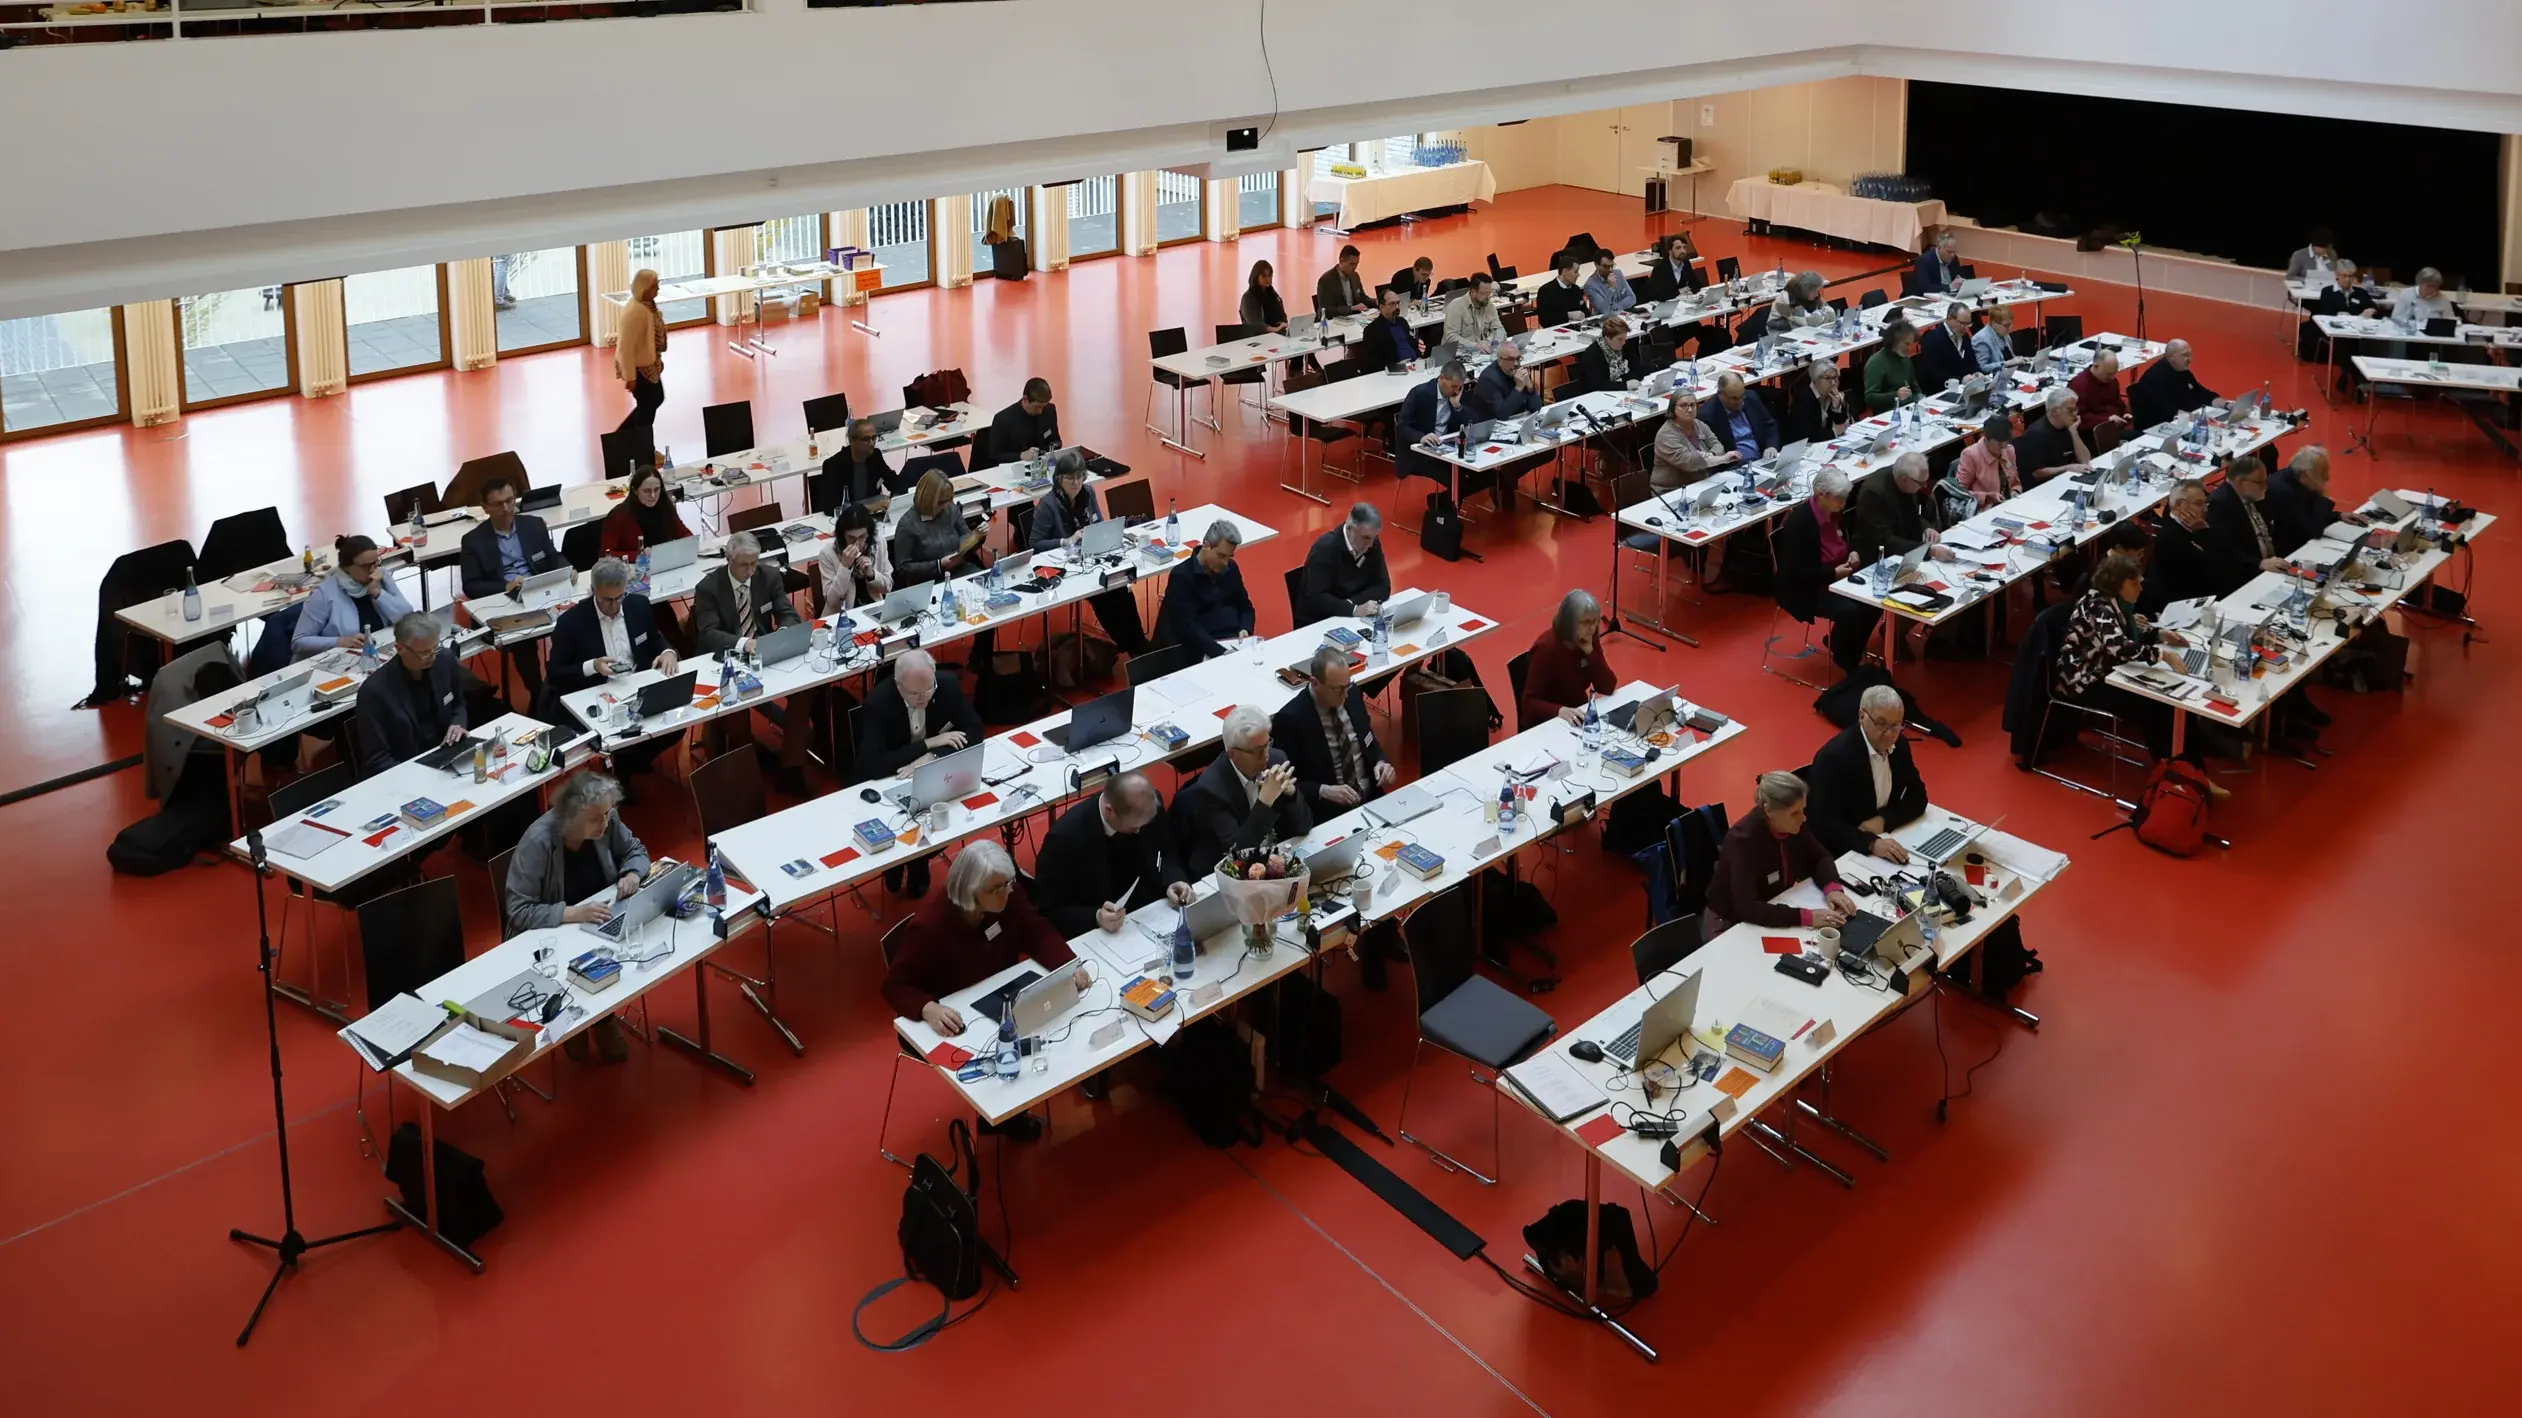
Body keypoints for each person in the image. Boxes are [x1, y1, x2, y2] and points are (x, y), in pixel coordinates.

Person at [880, 839, 1085, 1141]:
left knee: (1054, 1021)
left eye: (1010, 884)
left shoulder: (1008, 897)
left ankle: (1012, 1105)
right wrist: (928, 1007)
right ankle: (1003, 1116)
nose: (1008, 893)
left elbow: (1035, 930)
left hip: (1000, 995)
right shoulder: (931, 926)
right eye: (997, 889)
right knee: (1006, 1049)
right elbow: (895, 986)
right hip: (953, 1015)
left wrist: (1069, 964)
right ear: (970, 893)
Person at [506, 771, 651, 1063]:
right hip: (550, 934)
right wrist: (571, 913)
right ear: (572, 817)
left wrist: (633, 873)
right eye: (596, 819)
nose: (605, 824)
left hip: (599, 919)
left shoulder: (607, 820)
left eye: (608, 815)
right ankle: (574, 1018)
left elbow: (635, 850)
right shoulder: (538, 840)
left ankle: (603, 1020)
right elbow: (518, 910)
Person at [2053, 554, 2211, 777]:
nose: (2140, 588)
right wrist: (2161, 654)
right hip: (2084, 682)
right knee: (2155, 703)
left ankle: (2191, 764)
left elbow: (2124, 634)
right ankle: (2177, 770)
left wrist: (2158, 634)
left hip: (2107, 671)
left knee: (2169, 703)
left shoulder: (2115, 603)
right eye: (2134, 583)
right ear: (2117, 583)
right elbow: (2120, 647)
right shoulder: (2099, 607)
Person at [855, 648, 984, 899]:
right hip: (889, 778)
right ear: (898, 684)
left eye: (928, 690)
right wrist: (928, 744)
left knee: (951, 813)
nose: (924, 698)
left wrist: (933, 756)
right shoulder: (878, 704)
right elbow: (872, 764)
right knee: (900, 815)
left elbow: (975, 730)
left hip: (932, 769)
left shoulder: (945, 686)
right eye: (915, 694)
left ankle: (918, 861)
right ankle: (896, 862)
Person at [1029, 773, 1195, 938]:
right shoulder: (1064, 838)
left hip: (1152, 914)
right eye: (1134, 827)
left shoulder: (1148, 807)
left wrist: (1174, 878)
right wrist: (1095, 917)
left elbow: (1166, 850)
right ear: (1110, 811)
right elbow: (1049, 910)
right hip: (1103, 931)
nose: (1139, 831)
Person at [1703, 771, 1858, 939]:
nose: (1803, 818)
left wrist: (1832, 888)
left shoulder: (1791, 824)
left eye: (1803, 809)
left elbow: (1820, 857)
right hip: (1730, 921)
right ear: (1769, 811)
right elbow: (1747, 908)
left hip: (1774, 905)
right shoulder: (1743, 841)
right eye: (1795, 812)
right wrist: (1806, 917)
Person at [1028, 450, 1150, 654]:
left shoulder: (1089, 492)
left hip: (1092, 557)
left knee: (1120, 586)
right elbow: (1035, 544)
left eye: (1080, 477)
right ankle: (1134, 647)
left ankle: (1136, 641)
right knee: (1104, 595)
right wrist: (1066, 540)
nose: (1076, 483)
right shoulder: (1048, 505)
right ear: (1059, 479)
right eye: (1070, 478)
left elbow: (1099, 522)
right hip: (1066, 566)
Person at [1180, 706, 1314, 871]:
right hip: (1229, 876)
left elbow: (1304, 826)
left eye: (1267, 744)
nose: (1266, 755)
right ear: (1233, 754)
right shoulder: (1210, 790)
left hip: (1275, 862)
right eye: (1258, 751)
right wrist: (1265, 802)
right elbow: (1238, 856)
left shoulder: (1277, 759)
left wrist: (1292, 794)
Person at [1803, 685, 1928, 860]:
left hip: (1888, 838)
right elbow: (1822, 823)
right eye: (1882, 724)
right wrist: (1871, 843)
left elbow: (1918, 796)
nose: (1890, 734)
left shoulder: (1900, 746)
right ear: (1862, 715)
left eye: (1896, 725)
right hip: (1845, 851)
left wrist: (1884, 820)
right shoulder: (1834, 758)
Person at [1272, 644, 1395, 820]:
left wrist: (1381, 762)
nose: (1345, 694)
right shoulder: (1291, 719)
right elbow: (1282, 783)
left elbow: (1370, 743)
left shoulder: (1352, 694)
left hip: (1371, 797)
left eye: (1348, 685)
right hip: (1329, 811)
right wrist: (1322, 791)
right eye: (1337, 689)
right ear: (1315, 683)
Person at [1775, 468, 1877, 671]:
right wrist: (1832, 573)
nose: (1843, 504)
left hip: (1841, 577)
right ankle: (1846, 658)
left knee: (1876, 600)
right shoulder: (1799, 524)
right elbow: (1795, 572)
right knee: (1851, 610)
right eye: (1839, 498)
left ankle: (1842, 643)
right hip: (1809, 588)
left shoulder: (1837, 513)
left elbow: (1854, 537)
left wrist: (1854, 551)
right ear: (1822, 494)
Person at [353, 613, 476, 775]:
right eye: (424, 652)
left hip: (448, 759)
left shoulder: (444, 661)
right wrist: (417, 776)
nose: (432, 656)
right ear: (399, 648)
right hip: (405, 770)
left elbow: (459, 704)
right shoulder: (374, 692)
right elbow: (377, 759)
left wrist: (458, 724)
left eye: (435, 647)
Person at [546, 557, 678, 707]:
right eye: (607, 600)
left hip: (639, 687)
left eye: (619, 597)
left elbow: (654, 639)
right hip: (597, 695)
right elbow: (555, 673)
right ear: (593, 590)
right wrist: (593, 666)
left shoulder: (638, 606)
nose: (614, 606)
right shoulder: (571, 623)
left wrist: (668, 651)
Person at [295, 535, 413, 658]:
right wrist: (339, 642)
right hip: (341, 659)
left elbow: (407, 618)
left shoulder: (382, 577)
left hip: (381, 651)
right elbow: (299, 641)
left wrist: (377, 593)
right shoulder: (324, 593)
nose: (373, 569)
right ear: (347, 567)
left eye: (375, 562)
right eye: (366, 566)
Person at [1516, 589, 1617, 730]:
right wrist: (1559, 710)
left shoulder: (1589, 639)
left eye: (1596, 621)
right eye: (1586, 622)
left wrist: (1591, 653)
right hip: (1546, 724)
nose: (1593, 628)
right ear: (1569, 623)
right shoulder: (1546, 649)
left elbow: (1607, 686)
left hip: (1578, 717)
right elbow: (1529, 703)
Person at [690, 531, 800, 654]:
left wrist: (782, 633)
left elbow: (789, 614)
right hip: (724, 653)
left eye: (753, 563)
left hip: (761, 649)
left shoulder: (769, 577)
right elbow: (709, 633)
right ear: (729, 560)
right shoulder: (708, 588)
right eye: (743, 565)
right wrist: (743, 644)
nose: (750, 571)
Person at [1162, 519, 1255, 660]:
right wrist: (1219, 652)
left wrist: (1245, 628)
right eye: (1221, 555)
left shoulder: (1231, 569)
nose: (1225, 563)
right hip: (1200, 649)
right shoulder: (1181, 577)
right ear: (1206, 546)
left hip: (1234, 643)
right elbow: (1188, 626)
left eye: (1230, 557)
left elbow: (1246, 607)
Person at [459, 474, 558, 601]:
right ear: (485, 507)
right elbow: (471, 586)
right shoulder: (473, 541)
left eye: (509, 501)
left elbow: (554, 557)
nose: (506, 509)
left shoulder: (534, 525)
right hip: (503, 598)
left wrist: (569, 570)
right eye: (498, 504)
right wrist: (505, 586)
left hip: (538, 590)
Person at [1848, 452, 1953, 566]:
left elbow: (1914, 513)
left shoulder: (1910, 482)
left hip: (1906, 546)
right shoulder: (1874, 493)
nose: (1925, 486)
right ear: (1904, 479)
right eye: (1921, 483)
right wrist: (1928, 551)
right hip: (1880, 556)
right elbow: (1883, 540)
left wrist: (1926, 528)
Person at [2204, 455, 2289, 595]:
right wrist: (2259, 564)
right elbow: (2224, 551)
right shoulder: (2221, 505)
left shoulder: (2252, 495)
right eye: (2260, 482)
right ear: (2240, 482)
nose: (2265, 486)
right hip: (2245, 578)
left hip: (2270, 565)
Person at [891, 468, 987, 587]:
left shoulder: (951, 509)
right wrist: (938, 565)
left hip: (960, 572)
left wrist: (977, 536)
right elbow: (903, 569)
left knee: (987, 586)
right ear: (928, 500)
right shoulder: (907, 525)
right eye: (942, 502)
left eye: (949, 500)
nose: (947, 505)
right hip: (929, 582)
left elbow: (966, 539)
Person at [2139, 479, 2218, 616]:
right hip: (2183, 606)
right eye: (2199, 504)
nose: (2205, 508)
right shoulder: (2170, 537)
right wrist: (2204, 534)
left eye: (2205, 503)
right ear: (2179, 505)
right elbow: (2212, 567)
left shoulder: (2200, 524)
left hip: (2201, 596)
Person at [1298, 503, 1389, 621]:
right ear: (1350, 528)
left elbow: (1383, 586)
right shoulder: (1325, 548)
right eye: (1365, 538)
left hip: (1351, 617)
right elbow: (1316, 599)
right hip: (1319, 621)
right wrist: (1353, 609)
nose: (1370, 544)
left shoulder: (1372, 544)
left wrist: (1353, 604)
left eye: (1374, 537)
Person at [2266, 445, 2357, 550]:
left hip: (2298, 533)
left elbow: (2308, 513)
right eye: (2317, 476)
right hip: (2287, 548)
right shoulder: (2284, 492)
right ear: (2303, 475)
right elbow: (2314, 530)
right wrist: (2323, 496)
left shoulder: (2295, 477)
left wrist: (2338, 516)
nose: (2323, 482)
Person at [600, 462, 694, 561]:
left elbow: (683, 533)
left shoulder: (665, 506)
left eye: (656, 490)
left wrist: (688, 544)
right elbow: (605, 555)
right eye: (647, 491)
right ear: (635, 491)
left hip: (663, 563)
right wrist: (639, 555)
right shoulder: (618, 516)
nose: (653, 495)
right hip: (631, 569)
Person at [816, 501, 894, 615]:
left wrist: (871, 575)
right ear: (843, 536)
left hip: (873, 609)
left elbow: (888, 587)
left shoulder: (878, 543)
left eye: (862, 536)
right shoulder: (828, 554)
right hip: (842, 616)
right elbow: (832, 600)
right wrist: (844, 566)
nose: (857, 543)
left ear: (868, 533)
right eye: (851, 538)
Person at [614, 268, 666, 439]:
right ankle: (633, 442)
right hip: (639, 368)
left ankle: (627, 440)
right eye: (654, 286)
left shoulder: (648, 306)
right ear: (644, 289)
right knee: (650, 402)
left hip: (649, 365)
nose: (657, 289)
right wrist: (630, 376)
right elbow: (625, 347)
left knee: (652, 401)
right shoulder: (635, 311)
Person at [1396, 361, 1468, 483]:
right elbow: (1402, 427)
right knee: (1457, 478)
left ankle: (1444, 500)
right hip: (1420, 453)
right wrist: (1421, 437)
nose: (1456, 391)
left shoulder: (1457, 394)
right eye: (1453, 386)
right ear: (1442, 378)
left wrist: (1457, 407)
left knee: (1478, 474)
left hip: (1449, 448)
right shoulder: (1419, 394)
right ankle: (1443, 501)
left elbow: (1471, 421)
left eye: (1459, 387)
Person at [811, 418, 897, 514]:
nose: (871, 443)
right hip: (848, 519)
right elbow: (831, 508)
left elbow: (894, 483)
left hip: (873, 515)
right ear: (851, 440)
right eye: (866, 439)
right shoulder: (834, 465)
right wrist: (867, 508)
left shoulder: (875, 456)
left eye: (874, 438)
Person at [2128, 338, 2220, 428]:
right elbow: (2166, 412)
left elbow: (2199, 391)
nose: (2190, 359)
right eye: (2185, 355)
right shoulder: (2156, 378)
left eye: (2190, 355)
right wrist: (2198, 418)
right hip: (2160, 427)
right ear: (2170, 356)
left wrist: (2221, 402)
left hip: (2184, 419)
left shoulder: (2182, 370)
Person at [1650, 390, 1730, 493]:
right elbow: (1690, 463)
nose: (1690, 409)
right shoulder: (1666, 435)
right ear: (1673, 409)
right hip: (1672, 490)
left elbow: (1717, 445)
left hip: (1700, 483)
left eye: (1693, 405)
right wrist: (1722, 459)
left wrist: (1709, 455)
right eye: (1683, 405)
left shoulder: (1698, 424)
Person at [2015, 387, 2093, 484]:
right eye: (2070, 410)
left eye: (2075, 409)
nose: (2075, 414)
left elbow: (2085, 460)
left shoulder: (2067, 426)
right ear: (2055, 411)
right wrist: (2066, 468)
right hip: (2043, 487)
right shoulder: (2036, 434)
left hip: (2065, 479)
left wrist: (2074, 432)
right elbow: (2036, 473)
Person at [1573, 314, 1663, 394]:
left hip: (1621, 393)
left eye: (1624, 339)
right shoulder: (1592, 355)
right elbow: (1598, 385)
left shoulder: (1624, 346)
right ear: (1607, 337)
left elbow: (1638, 370)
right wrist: (1625, 385)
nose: (1623, 342)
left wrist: (1621, 380)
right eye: (1619, 339)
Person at [1709, 372, 1781, 466]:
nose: (1740, 402)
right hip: (1736, 468)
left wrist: (1771, 446)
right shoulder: (1709, 415)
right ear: (1720, 394)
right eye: (1734, 398)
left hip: (1763, 460)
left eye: (1741, 396)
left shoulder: (1751, 397)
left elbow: (1770, 425)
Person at [1465, 338, 1542, 423]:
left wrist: (1530, 387)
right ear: (1499, 360)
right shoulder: (1489, 379)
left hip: (1516, 421)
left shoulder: (1518, 371)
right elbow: (1502, 414)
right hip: (1492, 427)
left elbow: (1536, 407)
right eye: (1511, 359)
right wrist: (1519, 387)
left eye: (1518, 358)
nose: (1516, 363)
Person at [1954, 412, 2021, 510]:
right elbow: (1959, 492)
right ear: (1986, 438)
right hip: (1984, 510)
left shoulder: (2009, 450)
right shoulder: (1970, 455)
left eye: (2005, 444)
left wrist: (2015, 491)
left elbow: (2016, 482)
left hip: (2009, 505)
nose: (2003, 449)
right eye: (1999, 444)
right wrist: (1986, 497)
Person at [2068, 349, 2131, 449]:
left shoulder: (2111, 381)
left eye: (2114, 373)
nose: (2113, 377)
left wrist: (2124, 412)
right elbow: (2077, 418)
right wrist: (2106, 420)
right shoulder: (2079, 385)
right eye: (2109, 374)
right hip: (2093, 434)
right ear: (2096, 366)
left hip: (2114, 427)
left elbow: (2117, 401)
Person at [991, 377, 1061, 461]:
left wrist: (1052, 447)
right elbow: (995, 456)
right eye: (1037, 407)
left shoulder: (1049, 411)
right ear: (1025, 399)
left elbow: (1056, 440)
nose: (1040, 411)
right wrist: (1021, 456)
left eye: (1044, 407)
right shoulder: (1003, 420)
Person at [1788, 360, 1854, 444]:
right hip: (1803, 447)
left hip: (1825, 442)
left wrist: (1836, 407)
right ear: (1816, 379)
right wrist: (1834, 432)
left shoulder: (1833, 395)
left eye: (1834, 378)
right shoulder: (1804, 399)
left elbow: (1844, 425)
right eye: (1828, 378)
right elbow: (1809, 436)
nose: (1833, 383)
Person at [1354, 287, 1421, 369]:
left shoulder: (1403, 322)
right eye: (1392, 304)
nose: (1397, 307)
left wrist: (1420, 360)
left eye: (1398, 303)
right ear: (1381, 307)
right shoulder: (1372, 330)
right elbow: (1374, 363)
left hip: (1414, 366)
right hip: (1394, 371)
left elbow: (1413, 346)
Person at [1915, 302, 1976, 391]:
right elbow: (1933, 372)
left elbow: (1972, 360)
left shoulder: (1964, 336)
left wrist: (1976, 372)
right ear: (1949, 319)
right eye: (1962, 323)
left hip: (1963, 387)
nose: (1965, 328)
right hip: (1941, 390)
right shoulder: (1932, 340)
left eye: (1968, 324)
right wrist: (1960, 380)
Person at [1863, 321, 1920, 413]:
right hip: (1888, 413)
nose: (1910, 348)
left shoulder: (1905, 359)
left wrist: (1920, 400)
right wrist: (1896, 395)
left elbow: (1915, 388)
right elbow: (1870, 398)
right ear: (1894, 341)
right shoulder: (1876, 363)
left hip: (1908, 408)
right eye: (1906, 344)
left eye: (1911, 344)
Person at [1442, 272, 1506, 351]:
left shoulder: (1488, 305)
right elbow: (1451, 337)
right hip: (1461, 354)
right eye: (1484, 293)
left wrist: (1488, 342)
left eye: (1489, 292)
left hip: (1483, 353)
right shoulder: (1456, 306)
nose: (1488, 297)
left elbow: (1500, 330)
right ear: (1473, 292)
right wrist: (1476, 346)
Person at [1315, 244, 1371, 318]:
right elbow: (1325, 310)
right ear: (1341, 261)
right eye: (1352, 264)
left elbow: (1363, 298)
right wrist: (1351, 308)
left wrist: (1378, 301)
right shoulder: (1326, 280)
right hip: (1335, 322)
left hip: (1354, 319)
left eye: (1357, 264)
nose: (1355, 268)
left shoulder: (1355, 276)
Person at [2311, 260, 2384, 317]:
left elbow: (2374, 307)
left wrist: (2372, 310)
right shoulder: (2327, 292)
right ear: (2337, 275)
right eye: (2344, 276)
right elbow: (2324, 313)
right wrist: (2338, 315)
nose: (2348, 280)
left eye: (2351, 276)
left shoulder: (2361, 292)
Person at [1536, 254, 1590, 328]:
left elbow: (1585, 311)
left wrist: (1583, 314)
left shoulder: (1576, 289)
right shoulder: (1545, 291)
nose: (1578, 275)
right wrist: (1568, 315)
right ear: (1564, 272)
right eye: (1575, 272)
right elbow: (1545, 320)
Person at [2391, 267, 2458, 326]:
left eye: (2436, 286)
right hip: (2409, 332)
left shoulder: (2442, 298)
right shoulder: (2406, 294)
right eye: (2429, 286)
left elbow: (2450, 320)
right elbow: (2395, 317)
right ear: (2420, 283)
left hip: (2433, 335)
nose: (2433, 289)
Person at [1240, 259, 1288, 334]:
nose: (1268, 279)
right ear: (1256, 276)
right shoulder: (1248, 298)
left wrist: (1282, 325)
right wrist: (1275, 329)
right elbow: (1254, 324)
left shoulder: (1273, 294)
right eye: (1264, 276)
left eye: (1270, 275)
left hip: (1276, 335)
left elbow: (1282, 316)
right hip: (1257, 338)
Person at [1583, 250, 1637, 316]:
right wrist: (1611, 288)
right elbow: (1604, 310)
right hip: (1606, 320)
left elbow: (1632, 298)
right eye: (1606, 266)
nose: (1610, 269)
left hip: (1625, 314)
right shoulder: (1590, 286)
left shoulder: (1618, 273)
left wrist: (1614, 308)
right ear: (1596, 265)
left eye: (1612, 265)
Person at [1647, 232, 1700, 297]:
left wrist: (1688, 289)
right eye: (1678, 248)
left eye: (1684, 247)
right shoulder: (1660, 267)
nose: (1682, 251)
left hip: (1680, 301)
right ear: (1669, 250)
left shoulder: (1686, 263)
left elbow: (1696, 284)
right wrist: (1680, 291)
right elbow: (1659, 294)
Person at [1971, 303, 2018, 373]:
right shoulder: (1981, 339)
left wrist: (2020, 359)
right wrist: (2008, 363)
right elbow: (1982, 367)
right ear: (1994, 323)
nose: (2009, 328)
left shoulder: (2004, 334)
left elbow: (2010, 356)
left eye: (2010, 324)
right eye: (2006, 325)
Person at [1913, 229, 1962, 294]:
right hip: (1934, 297)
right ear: (1939, 248)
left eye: (1954, 252)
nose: (1952, 255)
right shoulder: (1924, 261)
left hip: (1952, 295)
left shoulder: (1954, 259)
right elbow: (1925, 287)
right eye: (1949, 252)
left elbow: (1957, 277)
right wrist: (1949, 287)